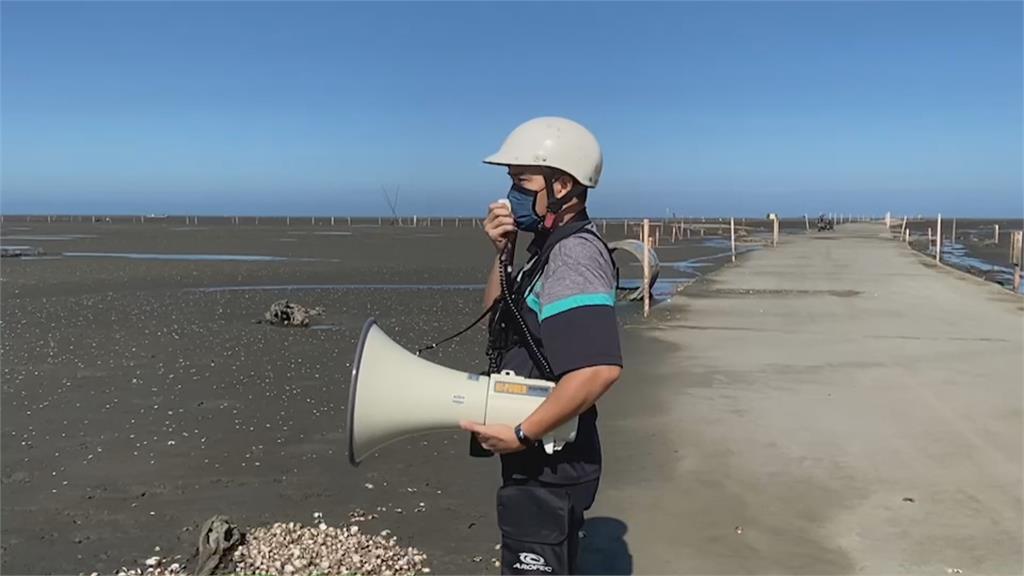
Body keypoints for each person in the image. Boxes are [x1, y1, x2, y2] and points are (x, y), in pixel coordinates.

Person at [459, 117, 623, 575]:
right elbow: (497, 313)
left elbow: (598, 370)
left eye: (521, 182)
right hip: (541, 451)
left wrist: (520, 434)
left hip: (550, 458)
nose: (510, 197)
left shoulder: (573, 254)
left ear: (563, 184)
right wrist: (504, 251)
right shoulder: (546, 247)